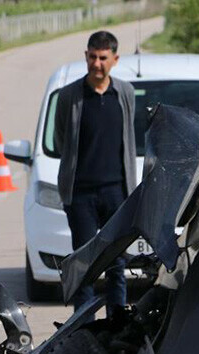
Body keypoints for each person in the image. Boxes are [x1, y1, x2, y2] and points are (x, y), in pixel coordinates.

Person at [53, 30, 137, 318]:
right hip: (81, 194)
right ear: (86, 57)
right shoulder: (70, 96)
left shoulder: (124, 93)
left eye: (103, 58)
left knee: (116, 263)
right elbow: (62, 139)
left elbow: (128, 138)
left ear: (115, 59)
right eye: (92, 57)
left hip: (116, 192)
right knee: (85, 263)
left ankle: (117, 322)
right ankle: (83, 324)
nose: (97, 63)